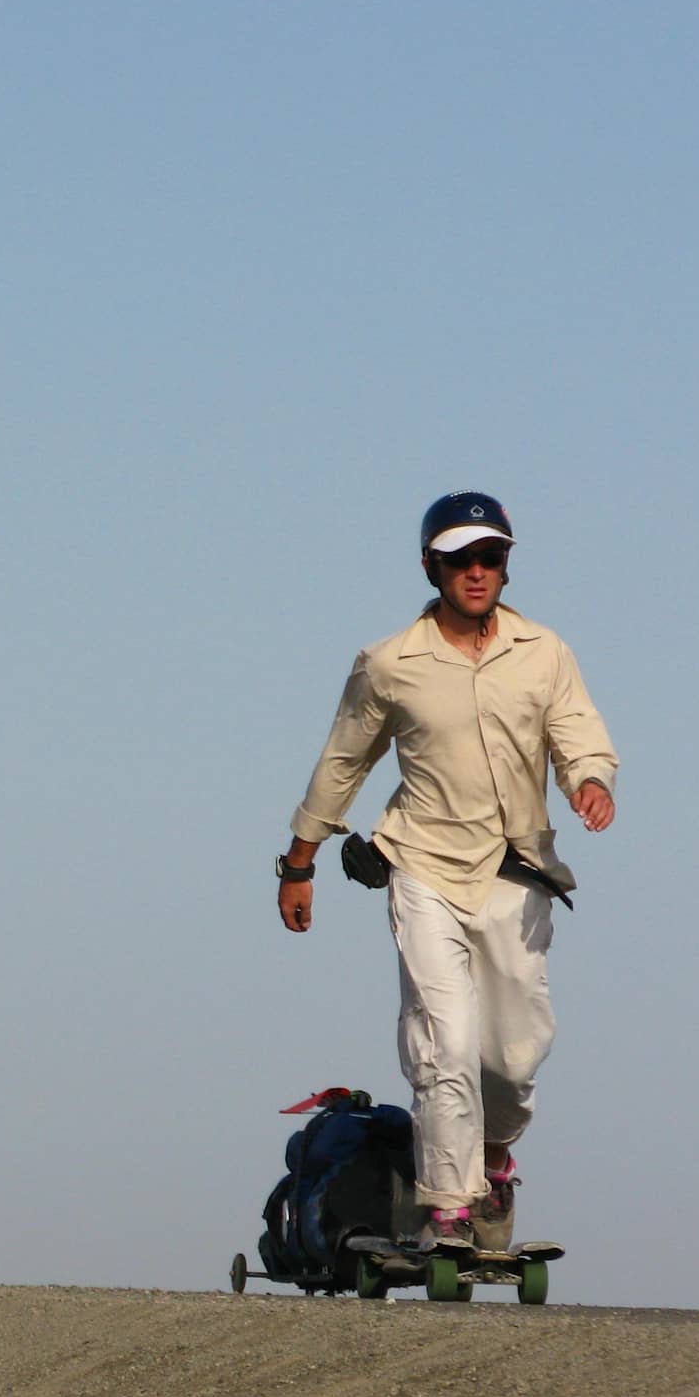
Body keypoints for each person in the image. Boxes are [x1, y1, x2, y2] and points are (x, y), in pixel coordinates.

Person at [274, 491, 617, 1252]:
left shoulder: (544, 651)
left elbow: (578, 734)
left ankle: (492, 1162)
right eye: (460, 558)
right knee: (444, 1043)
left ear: (506, 563)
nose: (476, 571)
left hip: (517, 876)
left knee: (515, 1053)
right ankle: (447, 1208)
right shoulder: (391, 663)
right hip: (425, 869)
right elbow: (342, 763)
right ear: (430, 565)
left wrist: (591, 781)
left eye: (489, 556)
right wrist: (299, 862)